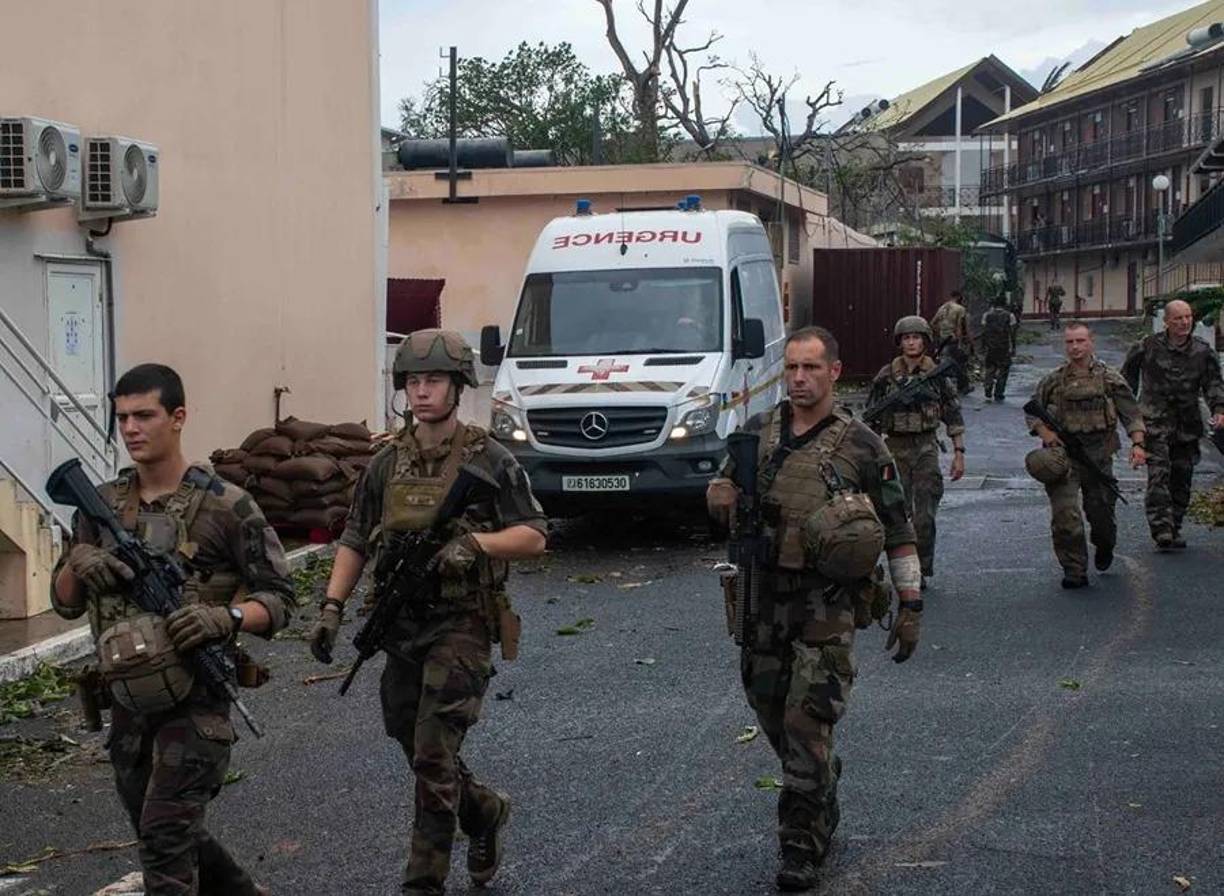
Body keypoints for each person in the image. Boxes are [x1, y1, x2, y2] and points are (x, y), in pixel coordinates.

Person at [307, 329, 547, 896]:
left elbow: (535, 535)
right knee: (409, 739)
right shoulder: (386, 462)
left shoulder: (489, 458)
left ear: (458, 385)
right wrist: (331, 608)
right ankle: (483, 810)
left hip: (461, 623)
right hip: (401, 626)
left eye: (433, 380)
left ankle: (424, 882)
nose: (421, 392)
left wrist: (477, 545)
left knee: (435, 754)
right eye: (413, 381)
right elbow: (355, 537)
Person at [50, 363, 293, 896]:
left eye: (144, 415)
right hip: (127, 704)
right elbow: (64, 603)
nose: (131, 429)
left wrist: (225, 616)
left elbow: (280, 600)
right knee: (169, 831)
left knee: (164, 841)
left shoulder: (226, 506)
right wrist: (81, 558)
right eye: (122, 418)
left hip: (197, 700)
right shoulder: (102, 504)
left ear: (178, 418)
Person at [706, 326, 923, 891]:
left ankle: (799, 846)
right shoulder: (758, 433)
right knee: (774, 716)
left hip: (827, 606)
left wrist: (910, 604)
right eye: (792, 368)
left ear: (834, 370)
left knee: (807, 723)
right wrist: (720, 495)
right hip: (763, 601)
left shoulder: (862, 446)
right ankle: (820, 777)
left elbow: (899, 530)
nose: (800, 379)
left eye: (811, 368)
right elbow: (722, 488)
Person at [1026, 324, 1146, 587]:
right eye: (1069, 342)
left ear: (1091, 342)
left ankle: (1105, 545)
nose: (1075, 347)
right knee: (1065, 516)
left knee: (1101, 515)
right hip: (1064, 456)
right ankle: (1074, 569)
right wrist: (1045, 433)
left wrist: (1138, 445)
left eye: (1080, 341)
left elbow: (1131, 413)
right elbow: (1032, 410)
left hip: (1099, 456)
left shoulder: (1109, 378)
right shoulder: (1053, 380)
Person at [866, 316, 965, 588]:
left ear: (925, 340)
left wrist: (959, 452)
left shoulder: (937, 374)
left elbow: (953, 413)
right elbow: (870, 419)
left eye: (916, 337)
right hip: (894, 449)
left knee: (925, 516)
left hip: (925, 447)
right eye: (906, 338)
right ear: (900, 342)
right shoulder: (886, 376)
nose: (911, 342)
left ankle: (921, 569)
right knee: (896, 514)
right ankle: (903, 569)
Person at [1121, 299, 1224, 550]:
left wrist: (1219, 409)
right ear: (1166, 321)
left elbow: (1213, 384)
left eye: (1188, 317)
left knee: (1182, 476)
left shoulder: (1202, 351)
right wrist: (1128, 409)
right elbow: (1126, 379)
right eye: (1178, 318)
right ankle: (1161, 528)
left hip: (1187, 425)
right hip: (1154, 423)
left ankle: (1175, 525)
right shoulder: (1147, 346)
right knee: (1159, 474)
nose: (1184, 322)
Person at [929, 290, 973, 393]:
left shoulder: (942, 308)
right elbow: (960, 326)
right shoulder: (960, 309)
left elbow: (932, 323)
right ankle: (963, 387)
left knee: (944, 363)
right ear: (958, 297)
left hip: (943, 339)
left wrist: (940, 333)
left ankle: (942, 386)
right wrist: (963, 340)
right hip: (953, 340)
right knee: (960, 363)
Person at [980, 296, 1018, 402]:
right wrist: (1013, 347)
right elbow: (1012, 333)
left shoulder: (986, 315)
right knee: (1003, 370)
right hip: (1003, 347)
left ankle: (988, 388)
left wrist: (983, 346)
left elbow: (984, 332)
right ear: (1004, 304)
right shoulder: (1010, 315)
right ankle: (999, 392)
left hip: (990, 347)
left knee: (989, 368)